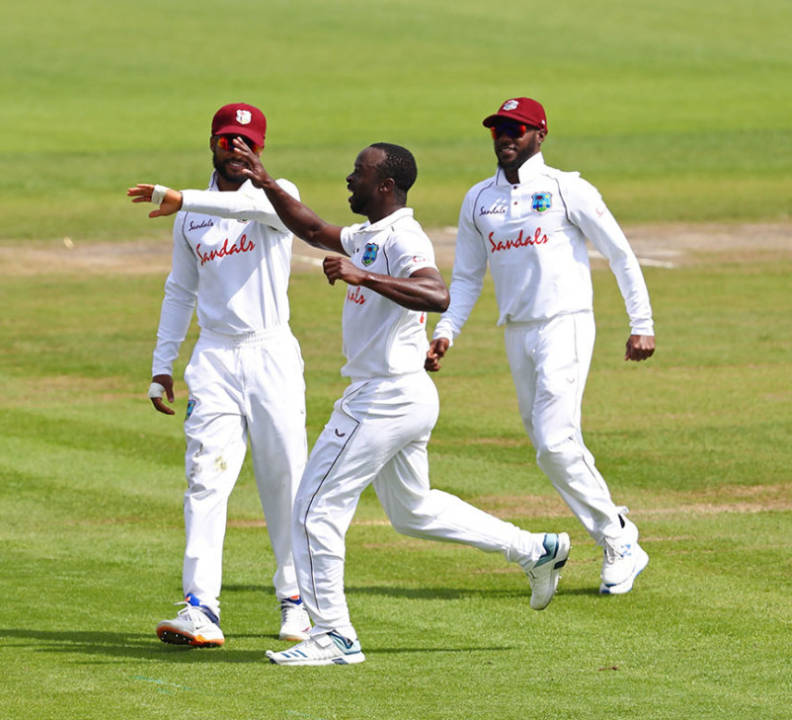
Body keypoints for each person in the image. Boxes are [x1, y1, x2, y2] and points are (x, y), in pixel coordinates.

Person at [210, 139, 570, 667]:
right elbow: (311, 229)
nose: (349, 180)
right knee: (412, 510)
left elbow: (436, 293)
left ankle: (333, 634)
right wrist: (266, 183)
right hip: (402, 395)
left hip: (384, 396)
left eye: (358, 173)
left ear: (385, 186)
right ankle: (534, 550)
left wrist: (365, 277)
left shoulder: (404, 237)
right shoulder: (368, 234)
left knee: (312, 511)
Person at [426, 97, 655, 595]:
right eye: (499, 130)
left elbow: (620, 253)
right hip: (516, 329)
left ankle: (618, 539)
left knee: (554, 441)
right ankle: (614, 524)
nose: (506, 137)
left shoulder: (566, 188)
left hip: (565, 322)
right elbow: (466, 277)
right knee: (552, 445)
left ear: (540, 135)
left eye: (517, 129)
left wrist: (643, 322)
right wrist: (445, 332)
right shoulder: (478, 200)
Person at [125, 103, 311, 648]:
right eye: (228, 141)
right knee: (205, 478)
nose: (236, 151)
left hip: (271, 352)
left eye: (247, 142)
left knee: (285, 480)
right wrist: (163, 365)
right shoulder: (190, 215)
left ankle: (296, 601)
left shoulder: (278, 196)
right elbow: (180, 290)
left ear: (262, 148)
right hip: (214, 357)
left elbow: (261, 210)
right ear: (212, 142)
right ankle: (199, 606)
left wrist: (186, 197)